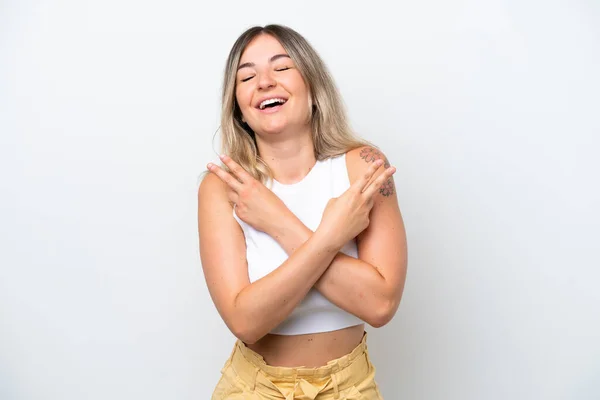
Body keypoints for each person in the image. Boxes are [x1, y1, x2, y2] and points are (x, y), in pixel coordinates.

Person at [197, 24, 407, 399]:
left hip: (350, 388)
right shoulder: (223, 188)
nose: (264, 82)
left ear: (312, 87)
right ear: (239, 108)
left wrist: (276, 220)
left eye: (281, 68)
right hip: (253, 388)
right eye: (247, 76)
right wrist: (331, 235)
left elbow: (380, 304)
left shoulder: (365, 167)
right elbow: (245, 321)